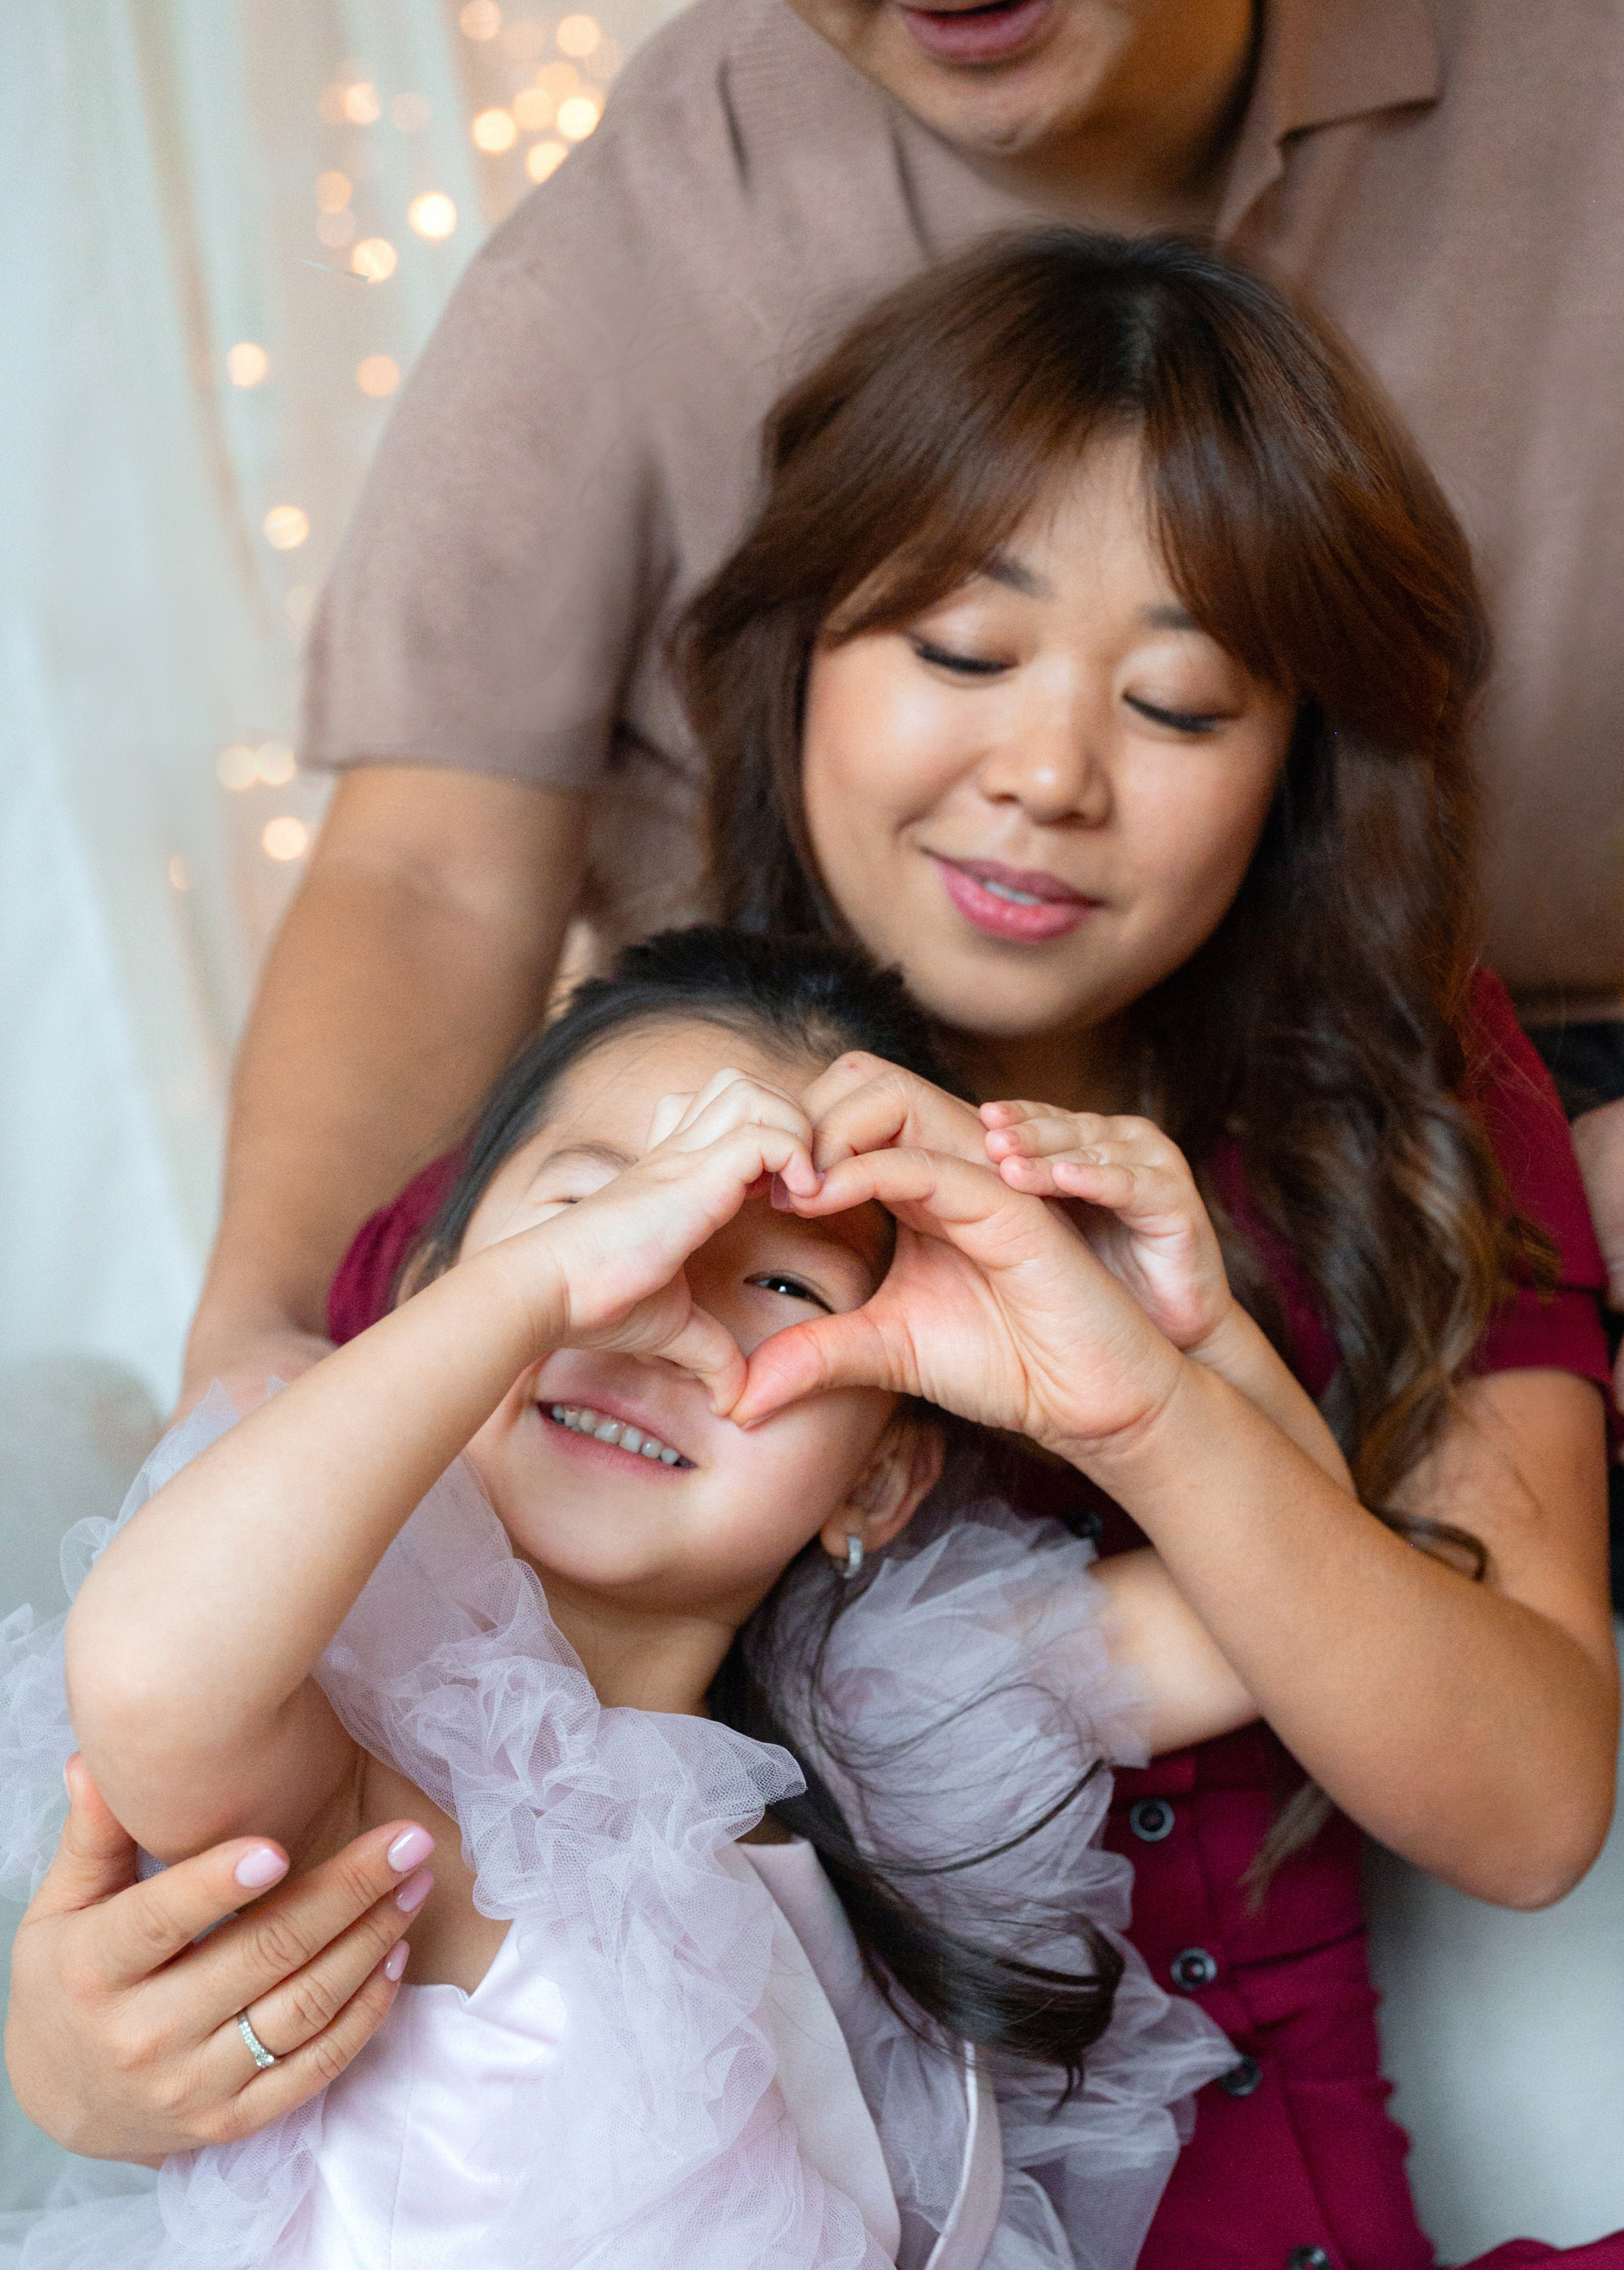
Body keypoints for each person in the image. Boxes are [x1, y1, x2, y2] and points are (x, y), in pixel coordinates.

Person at [26, 0, 1624, 2169]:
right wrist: (78, 2030)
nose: (1044, 762)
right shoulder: (624, 1164)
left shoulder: (1378, 1124)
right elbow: (246, 1694)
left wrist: (1174, 1404)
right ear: (778, 646)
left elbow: (1516, 1770)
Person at [0, 931, 1239, 2269]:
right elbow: (148, 1673)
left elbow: (1271, 1617)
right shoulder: (375, 1774)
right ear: (431, 1298)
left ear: (877, 1478)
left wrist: (1168, 1341)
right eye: (602, 1218)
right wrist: (539, 1288)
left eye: (779, 1281)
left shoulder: (892, 1713)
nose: (660, 1308)